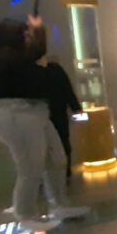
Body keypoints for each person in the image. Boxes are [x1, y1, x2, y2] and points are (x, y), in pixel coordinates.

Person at [0, 17, 89, 231]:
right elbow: (34, 56)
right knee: (30, 167)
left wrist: (39, 30)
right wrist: (38, 32)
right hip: (18, 116)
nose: (27, 38)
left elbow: (36, 53)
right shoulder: (3, 58)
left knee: (57, 158)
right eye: (24, 34)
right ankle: (25, 213)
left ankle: (59, 205)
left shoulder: (13, 58)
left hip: (35, 113)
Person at [42, 55, 82, 183]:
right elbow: (67, 90)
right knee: (63, 140)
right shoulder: (56, 70)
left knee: (43, 145)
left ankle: (46, 175)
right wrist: (76, 107)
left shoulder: (32, 73)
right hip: (59, 112)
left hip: (42, 114)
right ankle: (65, 172)